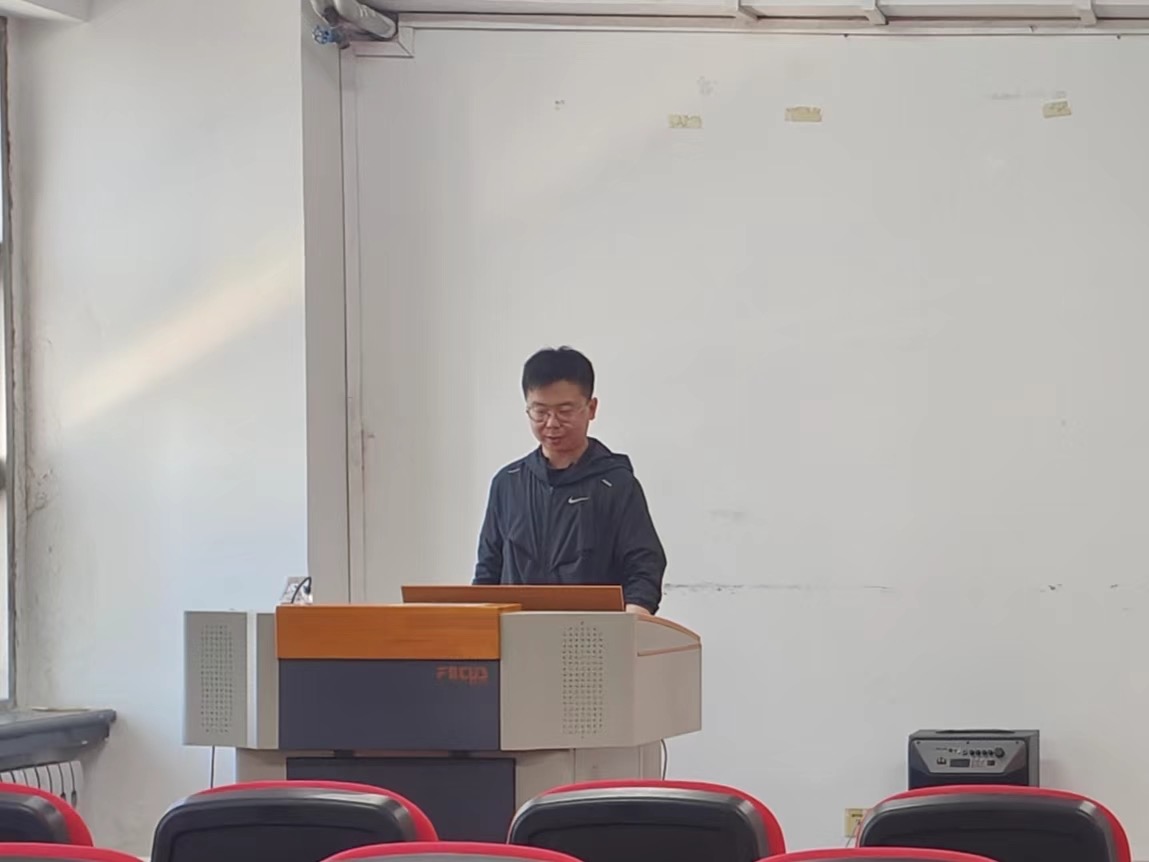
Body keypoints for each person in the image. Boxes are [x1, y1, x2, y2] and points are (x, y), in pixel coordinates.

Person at [473, 347, 666, 614]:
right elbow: (488, 571)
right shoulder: (507, 483)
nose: (552, 423)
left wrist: (634, 618)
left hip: (592, 632)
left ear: (591, 408)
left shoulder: (616, 484)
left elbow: (644, 567)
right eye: (540, 412)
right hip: (517, 633)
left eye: (564, 411)